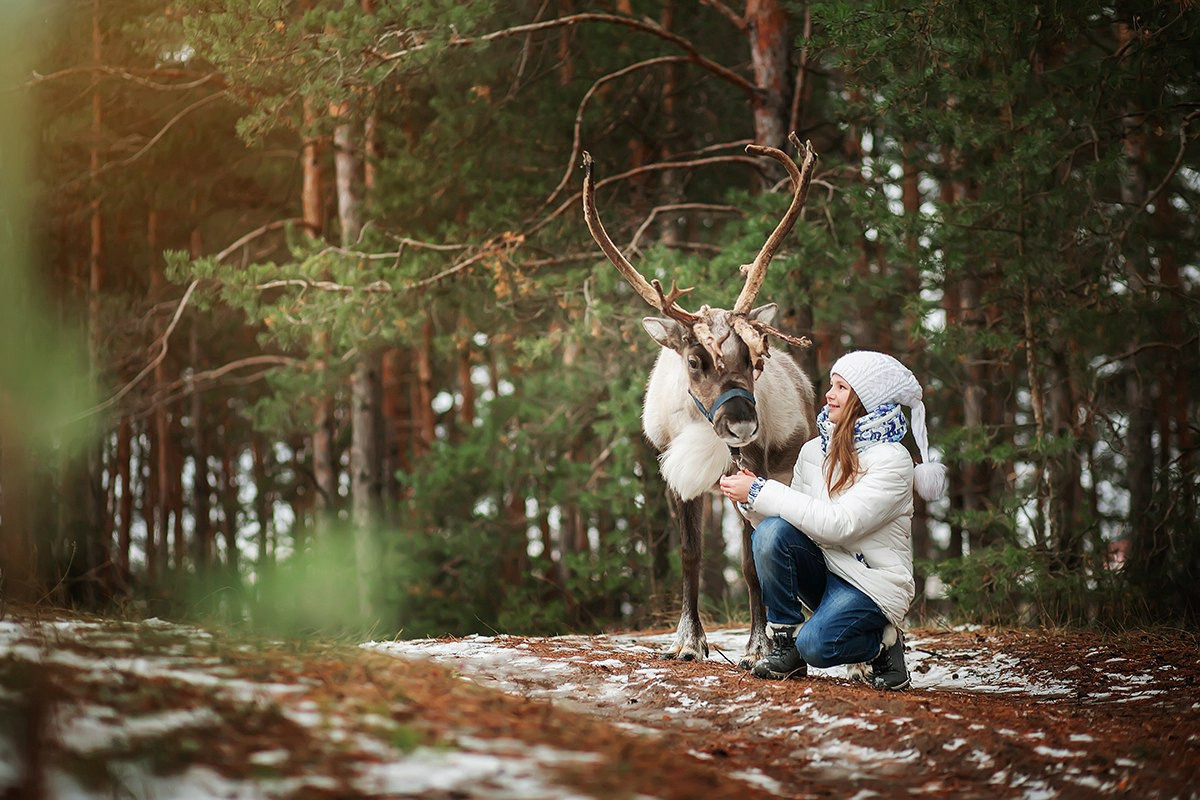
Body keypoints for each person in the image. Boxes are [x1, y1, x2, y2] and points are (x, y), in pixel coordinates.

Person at [719, 350, 947, 691]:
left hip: (869, 584)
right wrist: (751, 501)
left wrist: (762, 491)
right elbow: (790, 520)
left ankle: (883, 644)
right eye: (831, 385)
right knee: (769, 532)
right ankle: (785, 649)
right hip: (826, 567)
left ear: (865, 398)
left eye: (841, 387)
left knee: (818, 646)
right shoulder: (814, 451)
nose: (829, 394)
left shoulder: (893, 461)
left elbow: (839, 524)